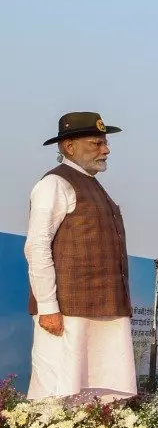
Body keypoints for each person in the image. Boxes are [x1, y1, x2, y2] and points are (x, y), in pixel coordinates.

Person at [24, 112, 137, 401]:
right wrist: (48, 306)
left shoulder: (93, 185)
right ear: (69, 146)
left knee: (102, 395)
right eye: (97, 143)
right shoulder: (54, 184)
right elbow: (37, 246)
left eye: (105, 142)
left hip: (106, 310)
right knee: (58, 393)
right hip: (67, 312)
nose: (106, 149)